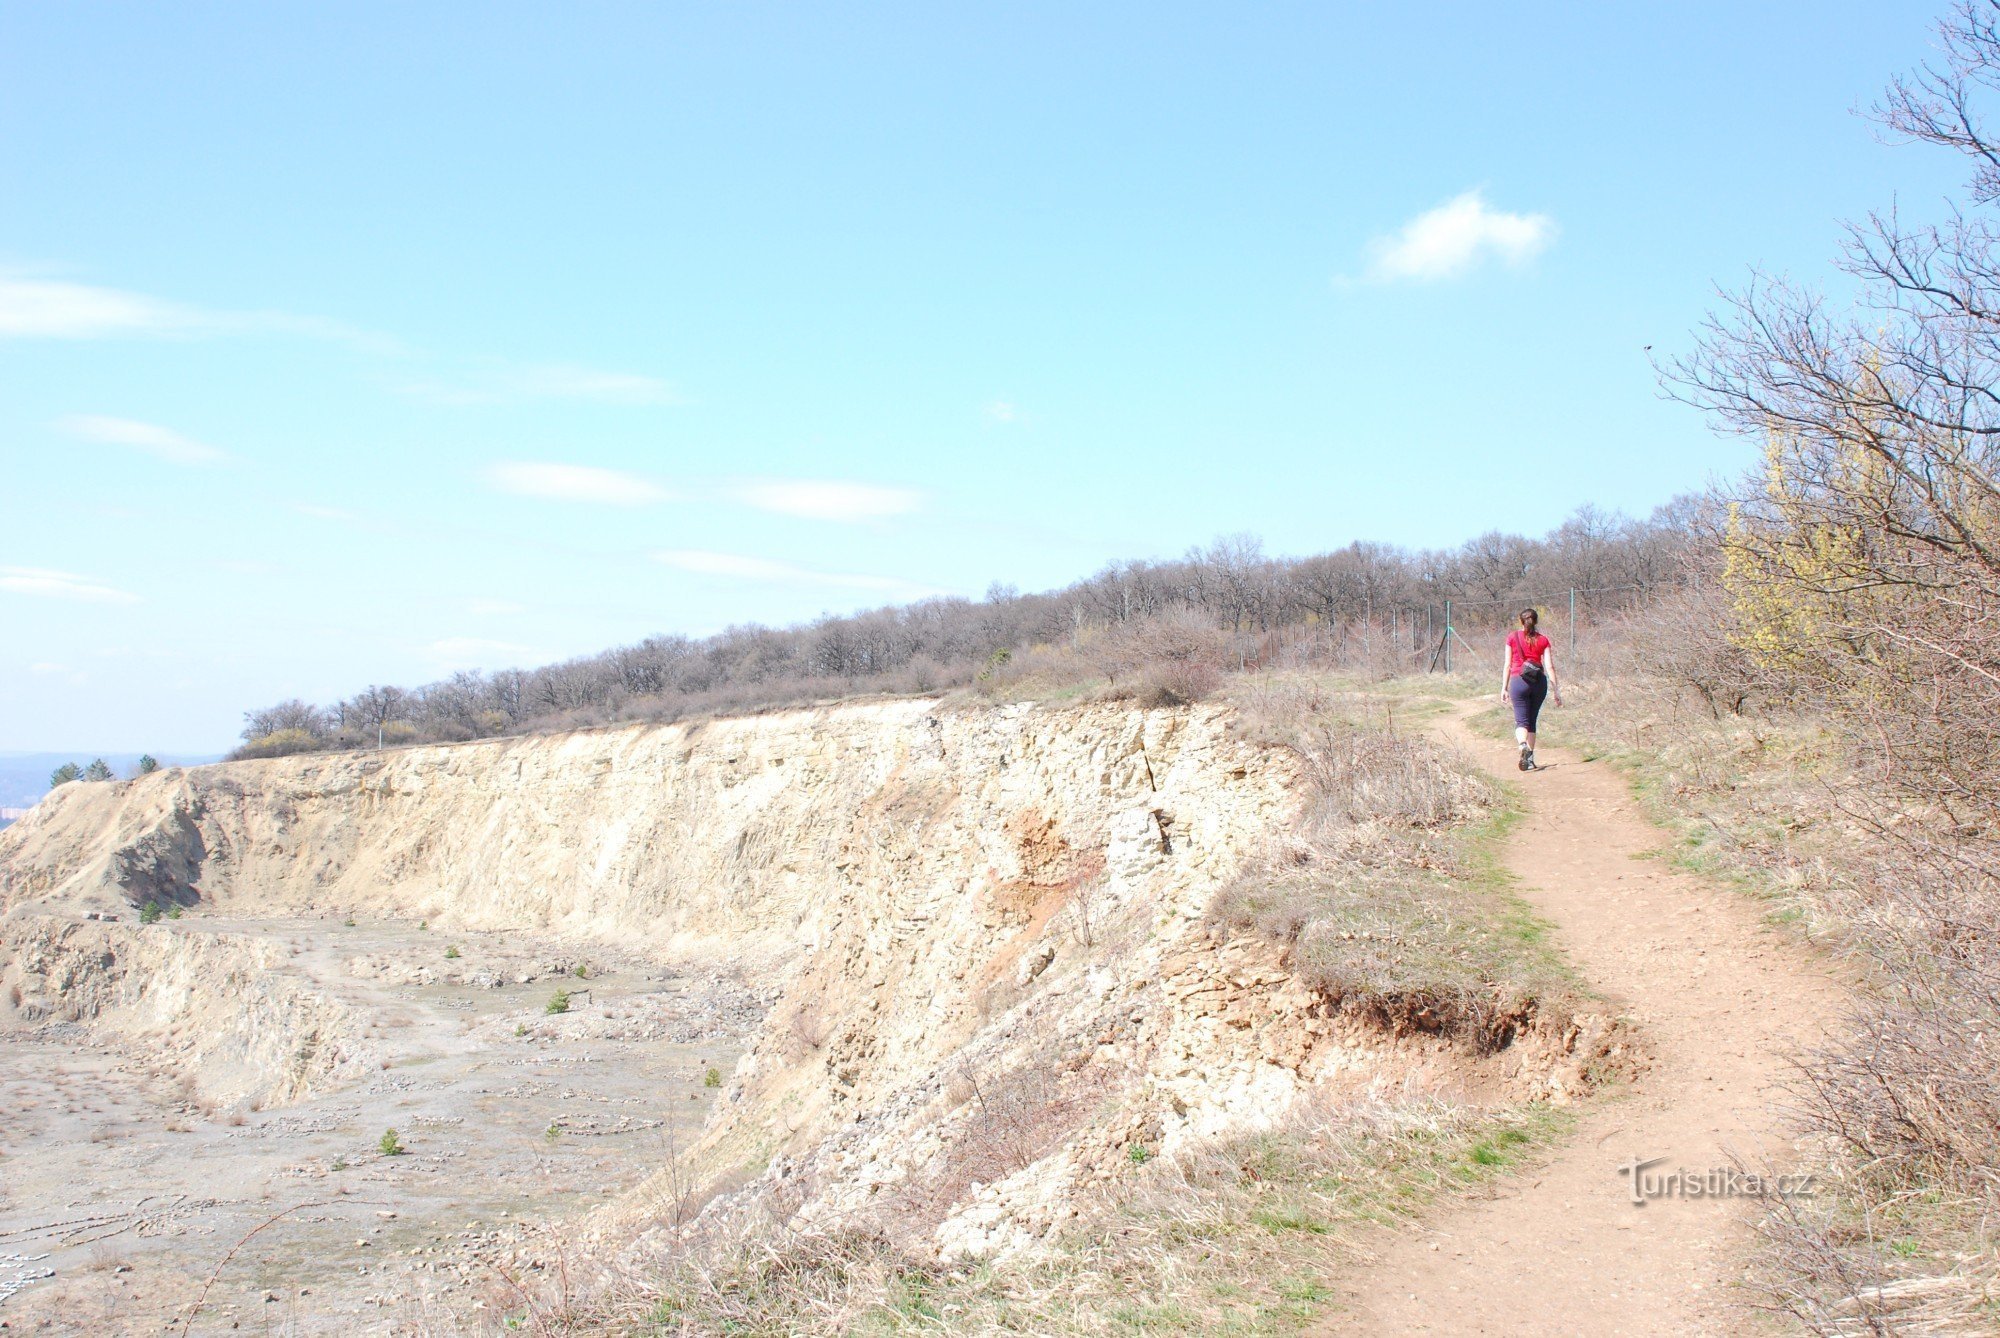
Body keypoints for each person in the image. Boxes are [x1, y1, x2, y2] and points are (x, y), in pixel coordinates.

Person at [1499, 608, 1560, 770]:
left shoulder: (1512, 637)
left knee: (1521, 721)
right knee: (1532, 722)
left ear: (1521, 621)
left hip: (1518, 681)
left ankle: (1522, 745)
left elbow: (1507, 665)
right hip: (1539, 682)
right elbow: (1550, 666)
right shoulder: (1544, 640)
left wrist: (1504, 687)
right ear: (1536, 621)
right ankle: (1530, 759)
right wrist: (1556, 690)